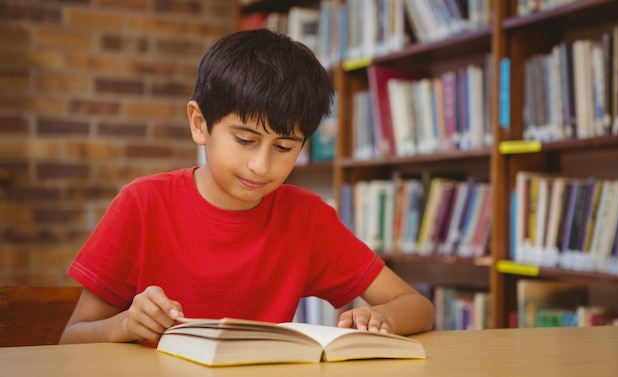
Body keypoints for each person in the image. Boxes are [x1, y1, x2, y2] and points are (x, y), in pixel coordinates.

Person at [59, 29, 434, 345]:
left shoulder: (306, 217)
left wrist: (380, 318)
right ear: (199, 123)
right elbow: (71, 338)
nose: (262, 166)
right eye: (245, 140)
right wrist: (125, 324)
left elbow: (416, 305)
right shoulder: (142, 204)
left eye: (284, 147)